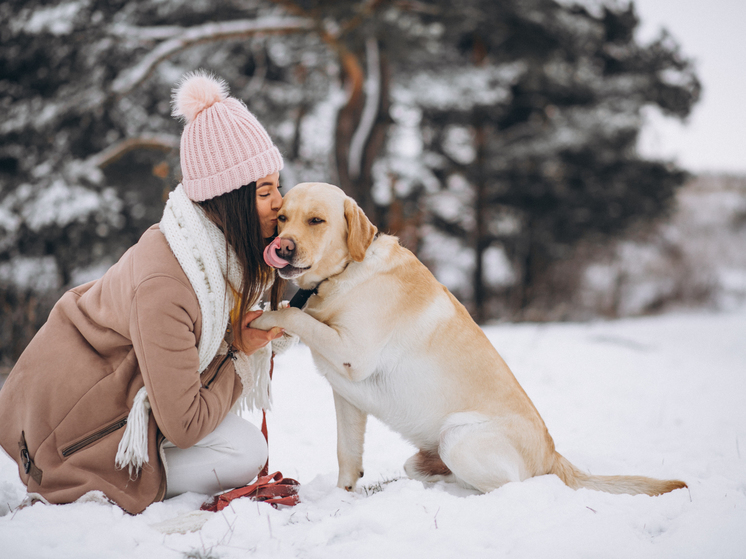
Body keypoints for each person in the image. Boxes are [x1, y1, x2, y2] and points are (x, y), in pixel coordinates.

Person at [0, 71, 293, 514]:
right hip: (64, 439)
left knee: (235, 437)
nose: (280, 203)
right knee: (244, 451)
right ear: (227, 199)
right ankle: (116, 480)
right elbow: (188, 423)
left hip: (87, 406)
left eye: (278, 187)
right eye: (265, 191)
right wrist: (237, 351)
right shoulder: (170, 284)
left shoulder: (199, 252)